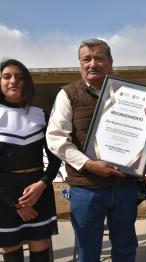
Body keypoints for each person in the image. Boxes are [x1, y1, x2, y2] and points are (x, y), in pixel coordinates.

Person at [46, 38, 138, 261]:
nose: (92, 64)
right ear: (80, 64)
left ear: (111, 62)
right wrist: (88, 164)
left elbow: (142, 138)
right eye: (86, 59)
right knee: (88, 252)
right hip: (86, 189)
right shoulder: (68, 94)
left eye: (98, 58)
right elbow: (56, 139)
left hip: (123, 186)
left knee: (126, 248)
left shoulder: (130, 95)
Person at [0, 59, 61, 262]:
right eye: (6, 76)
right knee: (11, 252)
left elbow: (54, 159)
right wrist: (17, 203)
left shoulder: (40, 115)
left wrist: (42, 184)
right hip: (5, 196)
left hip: (38, 191)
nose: (13, 81)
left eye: (19, 76)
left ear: (27, 82)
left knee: (41, 251)